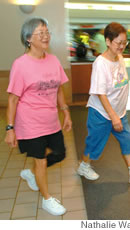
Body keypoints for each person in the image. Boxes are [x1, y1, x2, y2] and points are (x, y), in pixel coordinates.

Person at [4, 17, 72, 216]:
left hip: (51, 121)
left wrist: (66, 111)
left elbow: (59, 88)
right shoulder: (20, 65)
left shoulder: (53, 59)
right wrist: (10, 128)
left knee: (60, 153)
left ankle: (32, 174)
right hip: (29, 123)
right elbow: (13, 100)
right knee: (40, 159)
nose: (45, 36)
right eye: (40, 33)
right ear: (28, 39)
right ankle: (47, 199)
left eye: (47, 32)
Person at [77, 22, 130, 185]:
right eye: (118, 43)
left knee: (127, 140)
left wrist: (119, 113)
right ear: (108, 41)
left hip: (119, 113)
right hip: (101, 114)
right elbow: (100, 93)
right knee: (94, 144)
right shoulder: (100, 64)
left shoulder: (119, 58)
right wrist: (113, 117)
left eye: (124, 43)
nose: (122, 47)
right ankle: (84, 166)